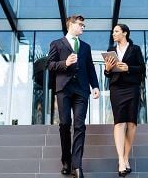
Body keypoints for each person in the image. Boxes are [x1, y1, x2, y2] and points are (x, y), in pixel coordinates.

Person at [47, 15, 100, 178]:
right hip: (64, 89)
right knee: (64, 124)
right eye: (81, 24)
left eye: (84, 25)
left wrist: (95, 86)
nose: (83, 27)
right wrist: (65, 64)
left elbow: (90, 67)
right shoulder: (56, 43)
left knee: (79, 125)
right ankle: (66, 161)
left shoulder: (86, 47)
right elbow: (50, 65)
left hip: (82, 90)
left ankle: (77, 165)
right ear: (71, 25)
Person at [104, 24, 145, 177]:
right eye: (113, 31)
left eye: (116, 31)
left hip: (132, 88)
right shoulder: (111, 50)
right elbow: (107, 73)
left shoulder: (135, 49)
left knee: (132, 124)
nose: (113, 33)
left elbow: (142, 68)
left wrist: (128, 67)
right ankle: (121, 160)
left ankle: (126, 156)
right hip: (117, 88)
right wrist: (107, 69)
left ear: (125, 33)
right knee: (119, 122)